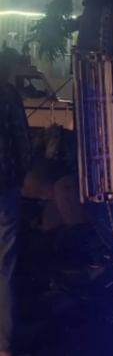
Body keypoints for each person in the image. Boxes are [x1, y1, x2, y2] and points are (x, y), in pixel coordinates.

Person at [0, 63, 31, 356]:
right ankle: (3, 345)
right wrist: (18, 179)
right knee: (4, 268)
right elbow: (24, 143)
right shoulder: (8, 95)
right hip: (4, 189)